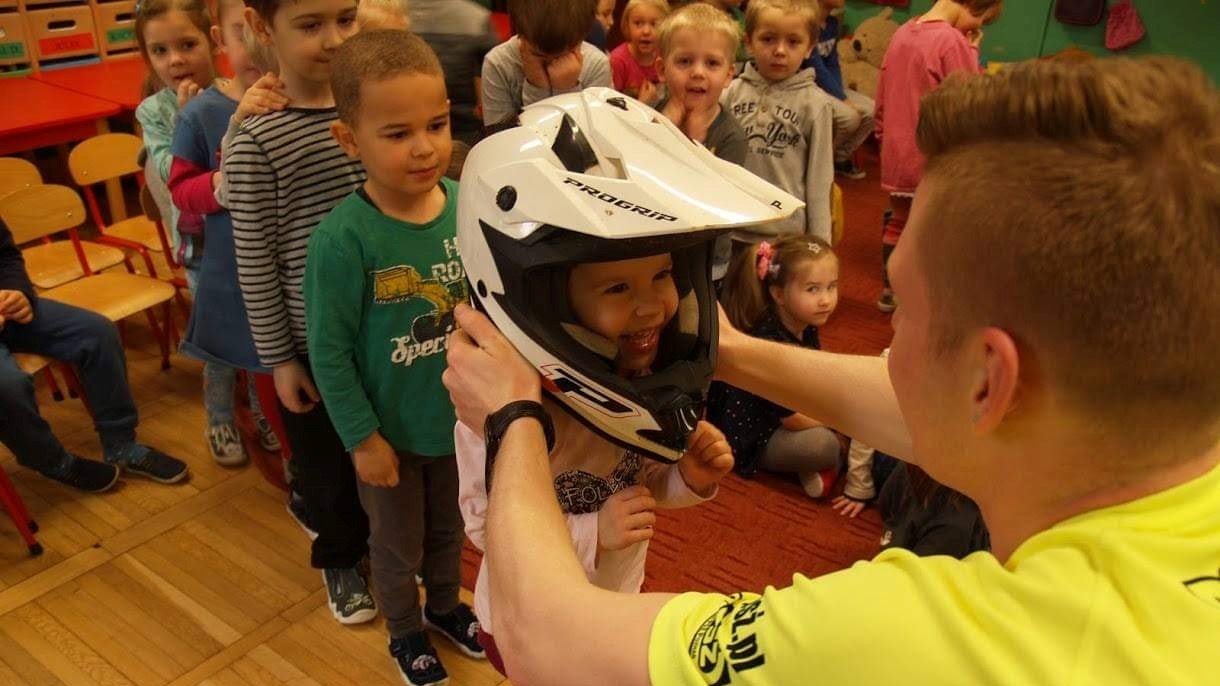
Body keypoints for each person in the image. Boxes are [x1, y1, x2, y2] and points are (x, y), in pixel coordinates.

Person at [443, 56, 1220, 685]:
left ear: (989, 379)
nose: (884, 342)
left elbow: (547, 642)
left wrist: (513, 418)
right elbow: (913, 401)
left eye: (900, 314)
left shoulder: (920, 642)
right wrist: (706, 343)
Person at [453, 85, 791, 680]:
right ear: (545, 302)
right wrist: (591, 532)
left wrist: (686, 479)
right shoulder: (498, 404)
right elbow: (483, 525)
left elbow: (642, 489)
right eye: (616, 288)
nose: (653, 307)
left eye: (663, 274)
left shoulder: (638, 378)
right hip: (524, 619)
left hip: (617, 594)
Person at [304, 30, 483, 685]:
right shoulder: (343, 240)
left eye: (436, 124)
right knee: (396, 542)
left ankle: (443, 606)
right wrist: (362, 438)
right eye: (398, 132)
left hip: (458, 423)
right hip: (389, 437)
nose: (425, 146)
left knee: (451, 527)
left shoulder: (466, 205)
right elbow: (328, 351)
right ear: (350, 141)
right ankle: (405, 631)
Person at [223, 0, 374, 626]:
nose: (334, 39)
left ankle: (388, 544)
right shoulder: (258, 136)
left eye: (345, 18)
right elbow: (254, 259)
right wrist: (280, 358)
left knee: (386, 448)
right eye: (310, 25)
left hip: (382, 321)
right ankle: (340, 556)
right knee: (326, 465)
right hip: (314, 340)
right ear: (265, 29)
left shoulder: (371, 105)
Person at [167, 0, 280, 467]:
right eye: (241, 34)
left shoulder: (294, 99)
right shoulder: (201, 113)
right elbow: (180, 187)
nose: (254, 47)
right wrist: (218, 184)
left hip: (274, 261)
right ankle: (219, 417)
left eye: (264, 34)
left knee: (267, 349)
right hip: (226, 265)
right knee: (224, 352)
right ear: (220, 40)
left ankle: (263, 413)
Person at [0, 225, 189, 492]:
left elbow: (6, 256)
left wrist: (16, 291)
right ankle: (54, 463)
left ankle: (121, 445)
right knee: (7, 386)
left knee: (97, 333)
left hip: (6, 310)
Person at [874, 0, 1001, 312]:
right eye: (979, 20)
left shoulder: (902, 32)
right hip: (932, 154)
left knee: (899, 222)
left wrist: (881, 134)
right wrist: (971, 51)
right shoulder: (951, 40)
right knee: (932, 228)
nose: (976, 29)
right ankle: (920, 293)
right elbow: (969, 99)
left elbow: (882, 91)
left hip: (896, 150)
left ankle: (890, 290)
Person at [709, 236, 842, 498]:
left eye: (832, 286)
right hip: (750, 436)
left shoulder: (806, 323)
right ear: (778, 294)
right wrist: (837, 423)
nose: (826, 300)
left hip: (783, 414)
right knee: (826, 445)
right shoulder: (771, 341)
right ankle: (821, 464)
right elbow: (791, 419)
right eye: (813, 289)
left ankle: (820, 465)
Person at [724, 0, 835, 242]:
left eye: (793, 42)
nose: (780, 51)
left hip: (784, 235)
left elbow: (820, 179)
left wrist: (820, 245)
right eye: (768, 39)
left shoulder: (816, 105)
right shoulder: (730, 93)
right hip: (728, 227)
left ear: (809, 48)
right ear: (749, 41)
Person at [653, 2, 747, 283]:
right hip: (652, 250)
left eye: (712, 63)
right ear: (661, 68)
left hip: (705, 259)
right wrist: (664, 132)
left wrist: (692, 148)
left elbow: (717, 207)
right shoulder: (647, 115)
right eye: (684, 61)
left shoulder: (731, 136)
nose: (698, 72)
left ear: (729, 74)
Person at [134, 0, 216, 266]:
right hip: (198, 243)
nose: (176, 59)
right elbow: (170, 173)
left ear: (213, 42)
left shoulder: (234, 94)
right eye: (160, 50)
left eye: (188, 45)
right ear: (148, 58)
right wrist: (188, 120)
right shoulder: (152, 112)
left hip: (243, 234)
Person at [480, 0, 611, 127]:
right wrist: (537, 85)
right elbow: (500, 141)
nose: (552, 62)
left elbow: (594, 139)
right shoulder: (497, 64)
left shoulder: (597, 65)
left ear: (581, 38)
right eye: (539, 55)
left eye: (564, 55)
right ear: (520, 33)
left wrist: (566, 89)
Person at [408, 0, 501, 146]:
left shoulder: (394, 15)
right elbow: (494, 76)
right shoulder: (477, 18)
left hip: (411, 133)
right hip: (469, 133)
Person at [808, 0, 874, 180]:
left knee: (871, 110)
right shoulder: (806, 21)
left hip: (828, 87)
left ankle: (839, 157)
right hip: (809, 87)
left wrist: (841, 94)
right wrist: (842, 100)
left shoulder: (832, 24)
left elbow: (832, 63)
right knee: (849, 117)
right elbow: (816, 67)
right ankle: (818, 164)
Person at [610, 0, 669, 105]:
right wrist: (642, 103)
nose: (646, 31)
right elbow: (611, 107)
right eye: (638, 23)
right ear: (627, 25)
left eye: (654, 24)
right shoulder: (618, 61)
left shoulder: (666, 57)